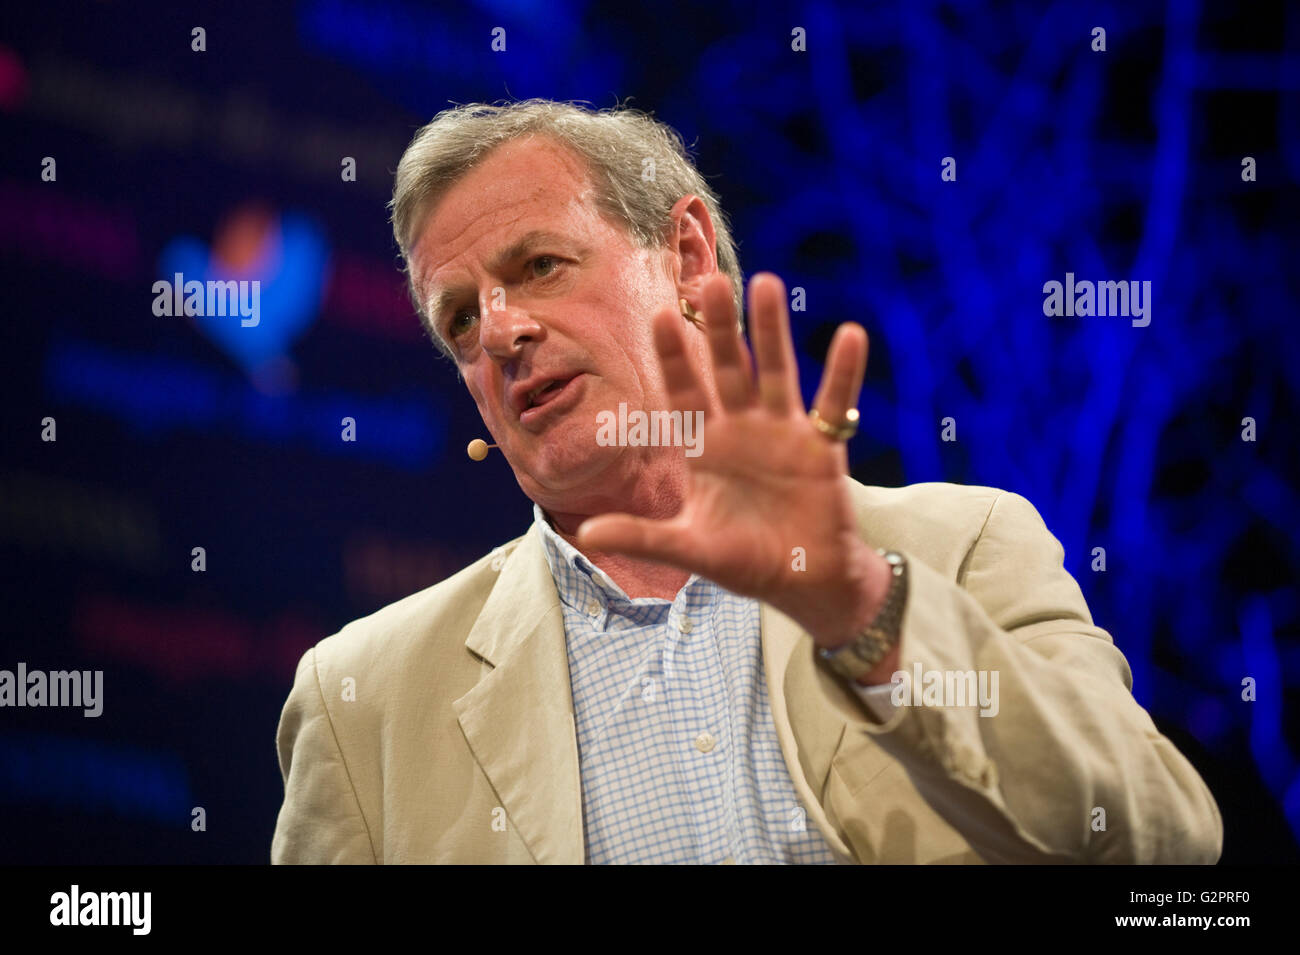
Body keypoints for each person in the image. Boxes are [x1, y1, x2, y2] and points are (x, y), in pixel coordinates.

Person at [271, 99, 1222, 864]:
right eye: (462, 320)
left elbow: (1161, 842)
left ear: (685, 257)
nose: (504, 332)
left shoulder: (963, 547)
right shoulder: (369, 703)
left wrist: (862, 609)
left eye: (540, 266)